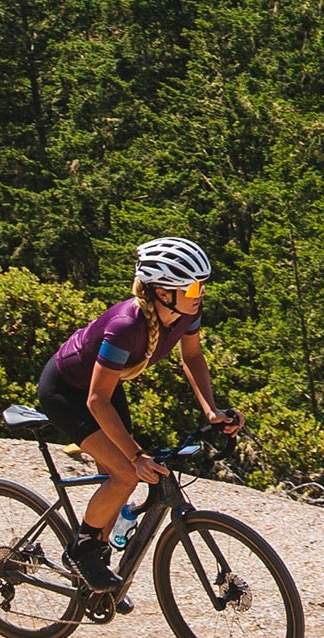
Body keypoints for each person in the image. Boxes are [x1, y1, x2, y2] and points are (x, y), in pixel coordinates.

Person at [37, 236, 244, 593]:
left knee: (118, 480)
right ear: (163, 292)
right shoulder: (125, 327)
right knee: (125, 474)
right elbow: (96, 402)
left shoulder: (185, 314)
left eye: (202, 286)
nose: (200, 294)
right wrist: (136, 456)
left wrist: (211, 410)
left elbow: (191, 357)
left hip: (103, 388)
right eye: (194, 287)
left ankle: (93, 584)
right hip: (67, 393)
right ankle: (82, 550)